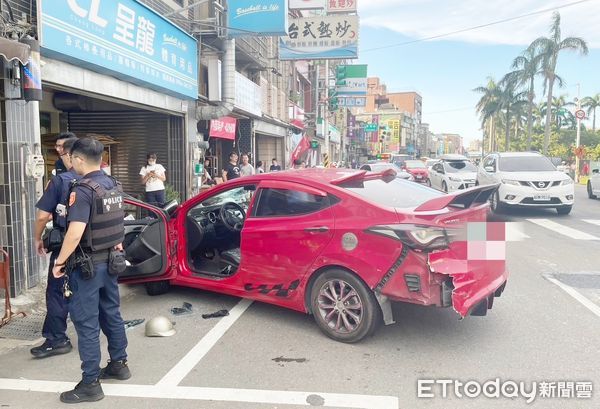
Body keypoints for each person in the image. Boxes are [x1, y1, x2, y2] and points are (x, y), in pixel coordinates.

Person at [52, 138, 130, 403]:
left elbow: (75, 232)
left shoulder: (83, 189)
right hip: (112, 261)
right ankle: (119, 364)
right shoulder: (113, 184)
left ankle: (90, 384)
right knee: (111, 312)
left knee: (86, 322)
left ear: (80, 160)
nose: (70, 162)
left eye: (71, 158)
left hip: (87, 266)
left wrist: (59, 263)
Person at [31, 136, 80, 359]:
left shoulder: (61, 181)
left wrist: (37, 238)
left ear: (70, 155)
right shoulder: (103, 180)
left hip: (65, 246)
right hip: (94, 249)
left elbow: (42, 216)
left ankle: (56, 339)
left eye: (61, 151)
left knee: (58, 292)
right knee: (88, 292)